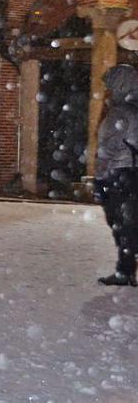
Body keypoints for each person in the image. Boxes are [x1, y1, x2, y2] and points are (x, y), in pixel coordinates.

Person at [94, 64, 138, 286]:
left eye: (110, 85)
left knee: (122, 224)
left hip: (120, 174)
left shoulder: (121, 112)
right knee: (129, 224)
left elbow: (108, 147)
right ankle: (126, 269)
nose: (107, 90)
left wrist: (100, 178)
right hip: (130, 173)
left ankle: (125, 270)